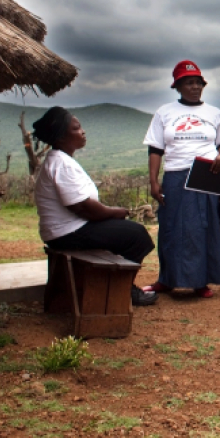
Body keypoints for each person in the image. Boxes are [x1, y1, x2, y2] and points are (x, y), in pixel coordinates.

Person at [32, 107, 157, 306]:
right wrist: (115, 212)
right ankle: (121, 290)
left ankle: (115, 287)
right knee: (137, 236)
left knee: (126, 232)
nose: (83, 132)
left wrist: (113, 214)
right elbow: (83, 208)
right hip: (67, 233)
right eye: (76, 128)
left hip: (66, 230)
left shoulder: (60, 160)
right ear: (62, 136)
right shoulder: (61, 163)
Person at [143, 60, 220, 298]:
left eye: (198, 82)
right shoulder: (165, 113)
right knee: (171, 227)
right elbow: (155, 149)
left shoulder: (214, 113)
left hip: (206, 175)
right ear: (177, 86)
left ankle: (200, 281)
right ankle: (167, 279)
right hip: (175, 174)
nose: (195, 87)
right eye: (188, 82)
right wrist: (154, 181)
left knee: (202, 227)